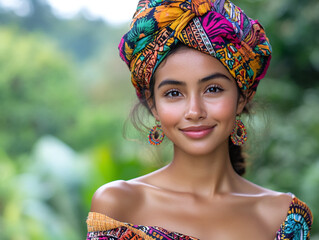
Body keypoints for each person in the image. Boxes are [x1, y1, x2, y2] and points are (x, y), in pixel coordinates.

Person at [86, 0, 313, 239]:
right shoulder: (119, 203)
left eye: (213, 89)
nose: (194, 111)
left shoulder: (283, 217)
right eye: (174, 93)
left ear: (242, 98)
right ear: (153, 105)